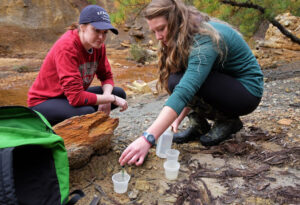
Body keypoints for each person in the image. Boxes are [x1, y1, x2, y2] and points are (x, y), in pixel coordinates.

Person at [119, 0, 263, 166]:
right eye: (154, 31)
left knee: (179, 82)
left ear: (175, 21)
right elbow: (191, 80)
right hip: (226, 83)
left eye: (161, 29)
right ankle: (198, 125)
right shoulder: (185, 31)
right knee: (175, 79)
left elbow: (187, 88)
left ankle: (228, 121)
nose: (158, 37)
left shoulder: (203, 39)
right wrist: (179, 116)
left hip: (246, 92)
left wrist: (148, 138)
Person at [27, 5, 128, 125]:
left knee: (119, 93)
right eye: (96, 30)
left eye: (105, 32)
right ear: (83, 27)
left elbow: (106, 76)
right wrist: (111, 99)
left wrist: (106, 97)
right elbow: (76, 98)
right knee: (87, 111)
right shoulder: (67, 47)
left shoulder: (98, 46)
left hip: (69, 97)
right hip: (44, 102)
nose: (101, 37)